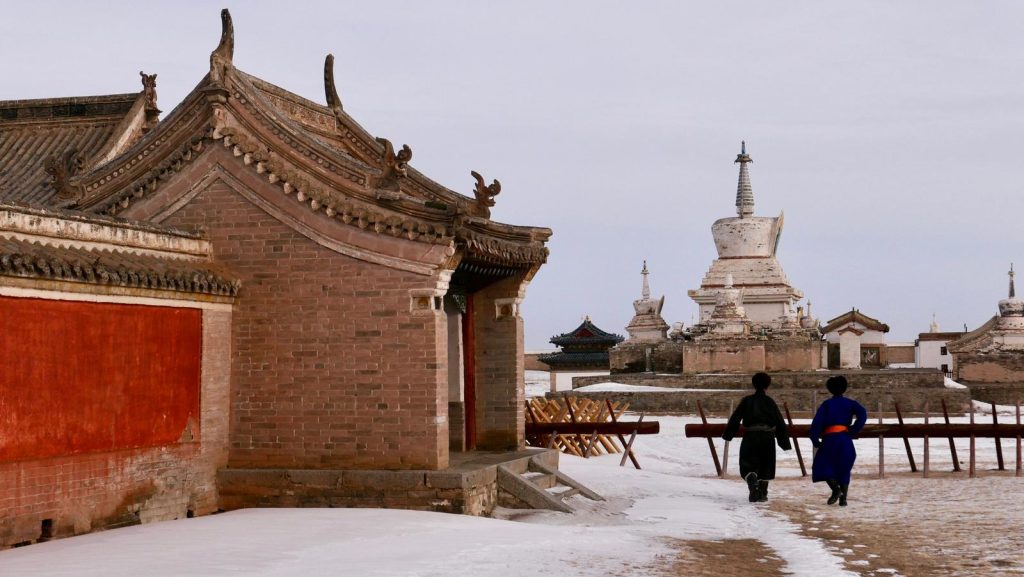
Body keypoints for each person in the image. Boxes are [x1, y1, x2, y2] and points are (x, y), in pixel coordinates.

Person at [722, 372, 792, 502]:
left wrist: (728, 434)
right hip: (767, 437)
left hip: (751, 436)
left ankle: (752, 481)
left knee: (748, 463)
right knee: (766, 464)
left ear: (753, 384)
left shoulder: (747, 401)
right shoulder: (770, 402)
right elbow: (779, 422)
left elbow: (736, 418)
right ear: (768, 385)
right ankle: (763, 493)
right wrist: (784, 443)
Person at [809, 375, 867, 506]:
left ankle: (836, 490)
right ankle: (843, 498)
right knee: (844, 467)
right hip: (845, 439)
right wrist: (854, 429)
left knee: (822, 465)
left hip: (830, 440)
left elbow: (817, 423)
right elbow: (863, 413)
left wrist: (814, 438)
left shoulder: (827, 405)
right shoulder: (850, 403)